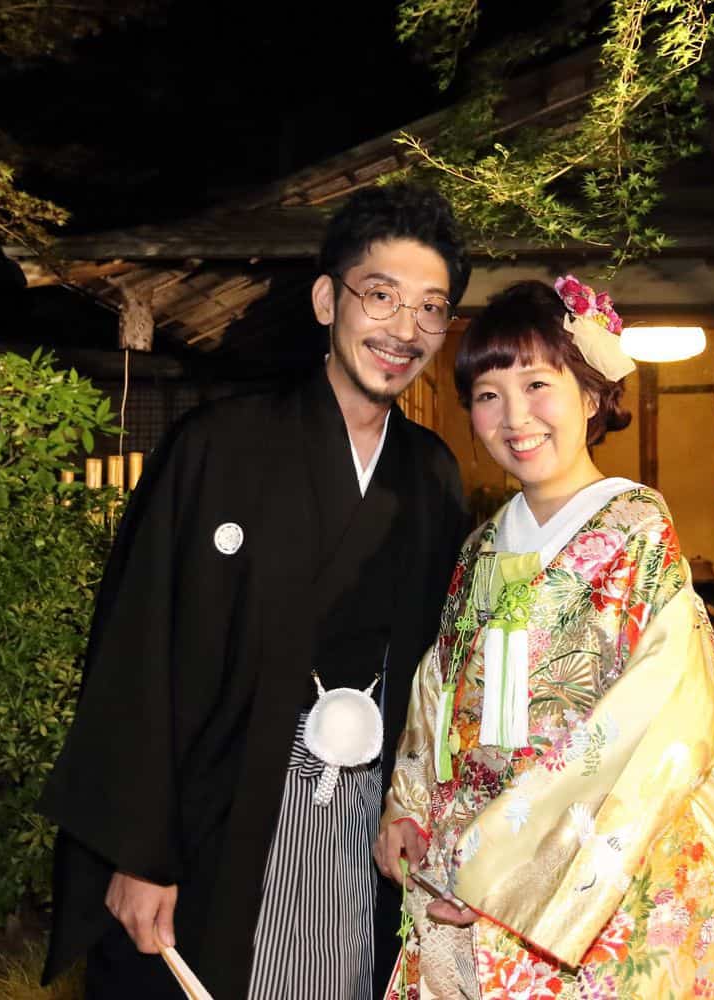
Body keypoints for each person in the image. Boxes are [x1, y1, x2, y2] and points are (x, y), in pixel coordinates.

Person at [38, 184, 473, 1000]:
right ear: (326, 301)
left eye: (431, 308)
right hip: (218, 810)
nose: (404, 329)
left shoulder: (432, 474)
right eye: (381, 296)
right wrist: (139, 848)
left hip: (365, 812)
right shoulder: (218, 446)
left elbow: (442, 676)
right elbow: (140, 648)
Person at [375, 278, 714, 999]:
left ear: (590, 394)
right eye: (488, 394)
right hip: (462, 865)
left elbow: (658, 719)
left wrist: (503, 869)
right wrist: (407, 802)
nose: (514, 416)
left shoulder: (635, 530)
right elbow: (441, 688)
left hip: (575, 880)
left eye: (537, 384)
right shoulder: (481, 548)